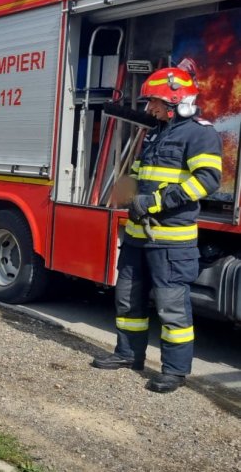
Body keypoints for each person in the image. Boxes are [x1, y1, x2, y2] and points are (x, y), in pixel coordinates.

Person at [92, 67, 222, 393]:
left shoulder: (200, 134)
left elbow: (207, 180)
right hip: (138, 236)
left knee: (171, 307)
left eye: (154, 102)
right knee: (127, 298)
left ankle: (175, 371)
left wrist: (153, 202)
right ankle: (127, 354)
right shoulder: (156, 133)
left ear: (175, 100)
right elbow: (139, 172)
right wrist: (127, 190)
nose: (149, 109)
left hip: (171, 242)